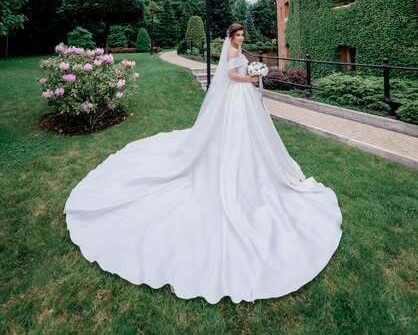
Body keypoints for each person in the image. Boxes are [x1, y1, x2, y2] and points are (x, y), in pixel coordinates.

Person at [64, 23, 342, 304]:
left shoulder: (239, 49)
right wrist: (251, 78)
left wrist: (256, 70)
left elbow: (240, 68)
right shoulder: (232, 51)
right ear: (231, 37)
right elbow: (231, 75)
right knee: (231, 134)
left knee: (252, 135)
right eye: (238, 35)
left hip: (245, 98)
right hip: (238, 95)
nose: (241, 38)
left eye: (243, 34)